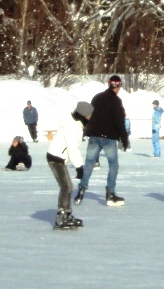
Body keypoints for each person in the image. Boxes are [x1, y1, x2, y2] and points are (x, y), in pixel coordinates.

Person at [75, 75, 129, 207]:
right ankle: (110, 193)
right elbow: (119, 121)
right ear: (118, 86)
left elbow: (89, 115)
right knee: (113, 165)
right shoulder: (116, 101)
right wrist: (124, 138)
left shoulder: (97, 97)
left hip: (94, 136)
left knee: (89, 163)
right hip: (109, 138)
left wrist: (87, 130)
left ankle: (82, 187)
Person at [46, 101, 91, 230]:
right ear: (83, 114)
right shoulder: (72, 126)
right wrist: (79, 167)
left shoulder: (76, 124)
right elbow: (72, 148)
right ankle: (61, 216)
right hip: (56, 158)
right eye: (89, 115)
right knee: (66, 186)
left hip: (58, 157)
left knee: (68, 186)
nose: (91, 117)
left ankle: (67, 214)